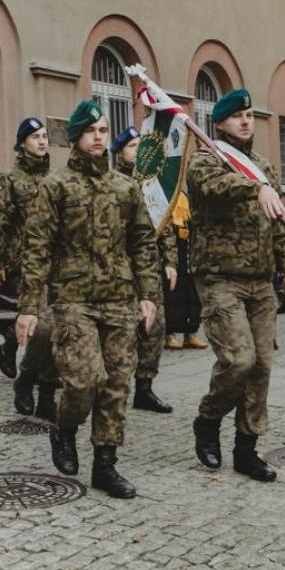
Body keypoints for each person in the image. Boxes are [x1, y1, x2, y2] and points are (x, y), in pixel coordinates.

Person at [17, 100, 160, 498]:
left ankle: (105, 464)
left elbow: (143, 243)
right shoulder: (56, 186)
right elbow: (37, 248)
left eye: (103, 130)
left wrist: (148, 294)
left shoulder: (125, 187)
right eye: (91, 131)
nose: (98, 137)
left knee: (116, 384)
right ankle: (63, 431)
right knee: (83, 380)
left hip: (118, 297)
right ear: (77, 137)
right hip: (73, 298)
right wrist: (29, 307)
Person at [185, 88, 285, 483]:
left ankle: (247, 449)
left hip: (260, 281)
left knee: (262, 366)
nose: (245, 121)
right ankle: (208, 419)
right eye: (237, 116)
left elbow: (278, 222)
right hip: (219, 278)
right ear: (220, 123)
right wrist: (256, 187)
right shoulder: (204, 159)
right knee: (239, 360)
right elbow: (213, 188)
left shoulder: (264, 165)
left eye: (249, 114)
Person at [0, 117, 58, 419]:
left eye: (44, 136)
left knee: (55, 327)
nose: (42, 141)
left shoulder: (55, 179)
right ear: (22, 142)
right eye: (35, 137)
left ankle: (42, 381)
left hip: (58, 265)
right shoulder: (11, 180)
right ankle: (27, 381)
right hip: (25, 263)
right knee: (43, 328)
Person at [111, 125, 177, 414]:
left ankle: (145, 388)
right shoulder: (111, 183)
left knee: (154, 328)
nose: (138, 152)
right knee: (123, 330)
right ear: (120, 153)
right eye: (132, 147)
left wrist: (171, 261)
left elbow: (167, 225)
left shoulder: (152, 183)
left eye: (140, 145)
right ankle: (113, 389)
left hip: (150, 268)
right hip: (121, 270)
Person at [162, 191, 207, 350]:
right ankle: (169, 334)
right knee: (173, 294)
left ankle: (191, 334)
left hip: (190, 255)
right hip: (174, 257)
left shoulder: (188, 200)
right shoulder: (165, 197)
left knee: (192, 296)